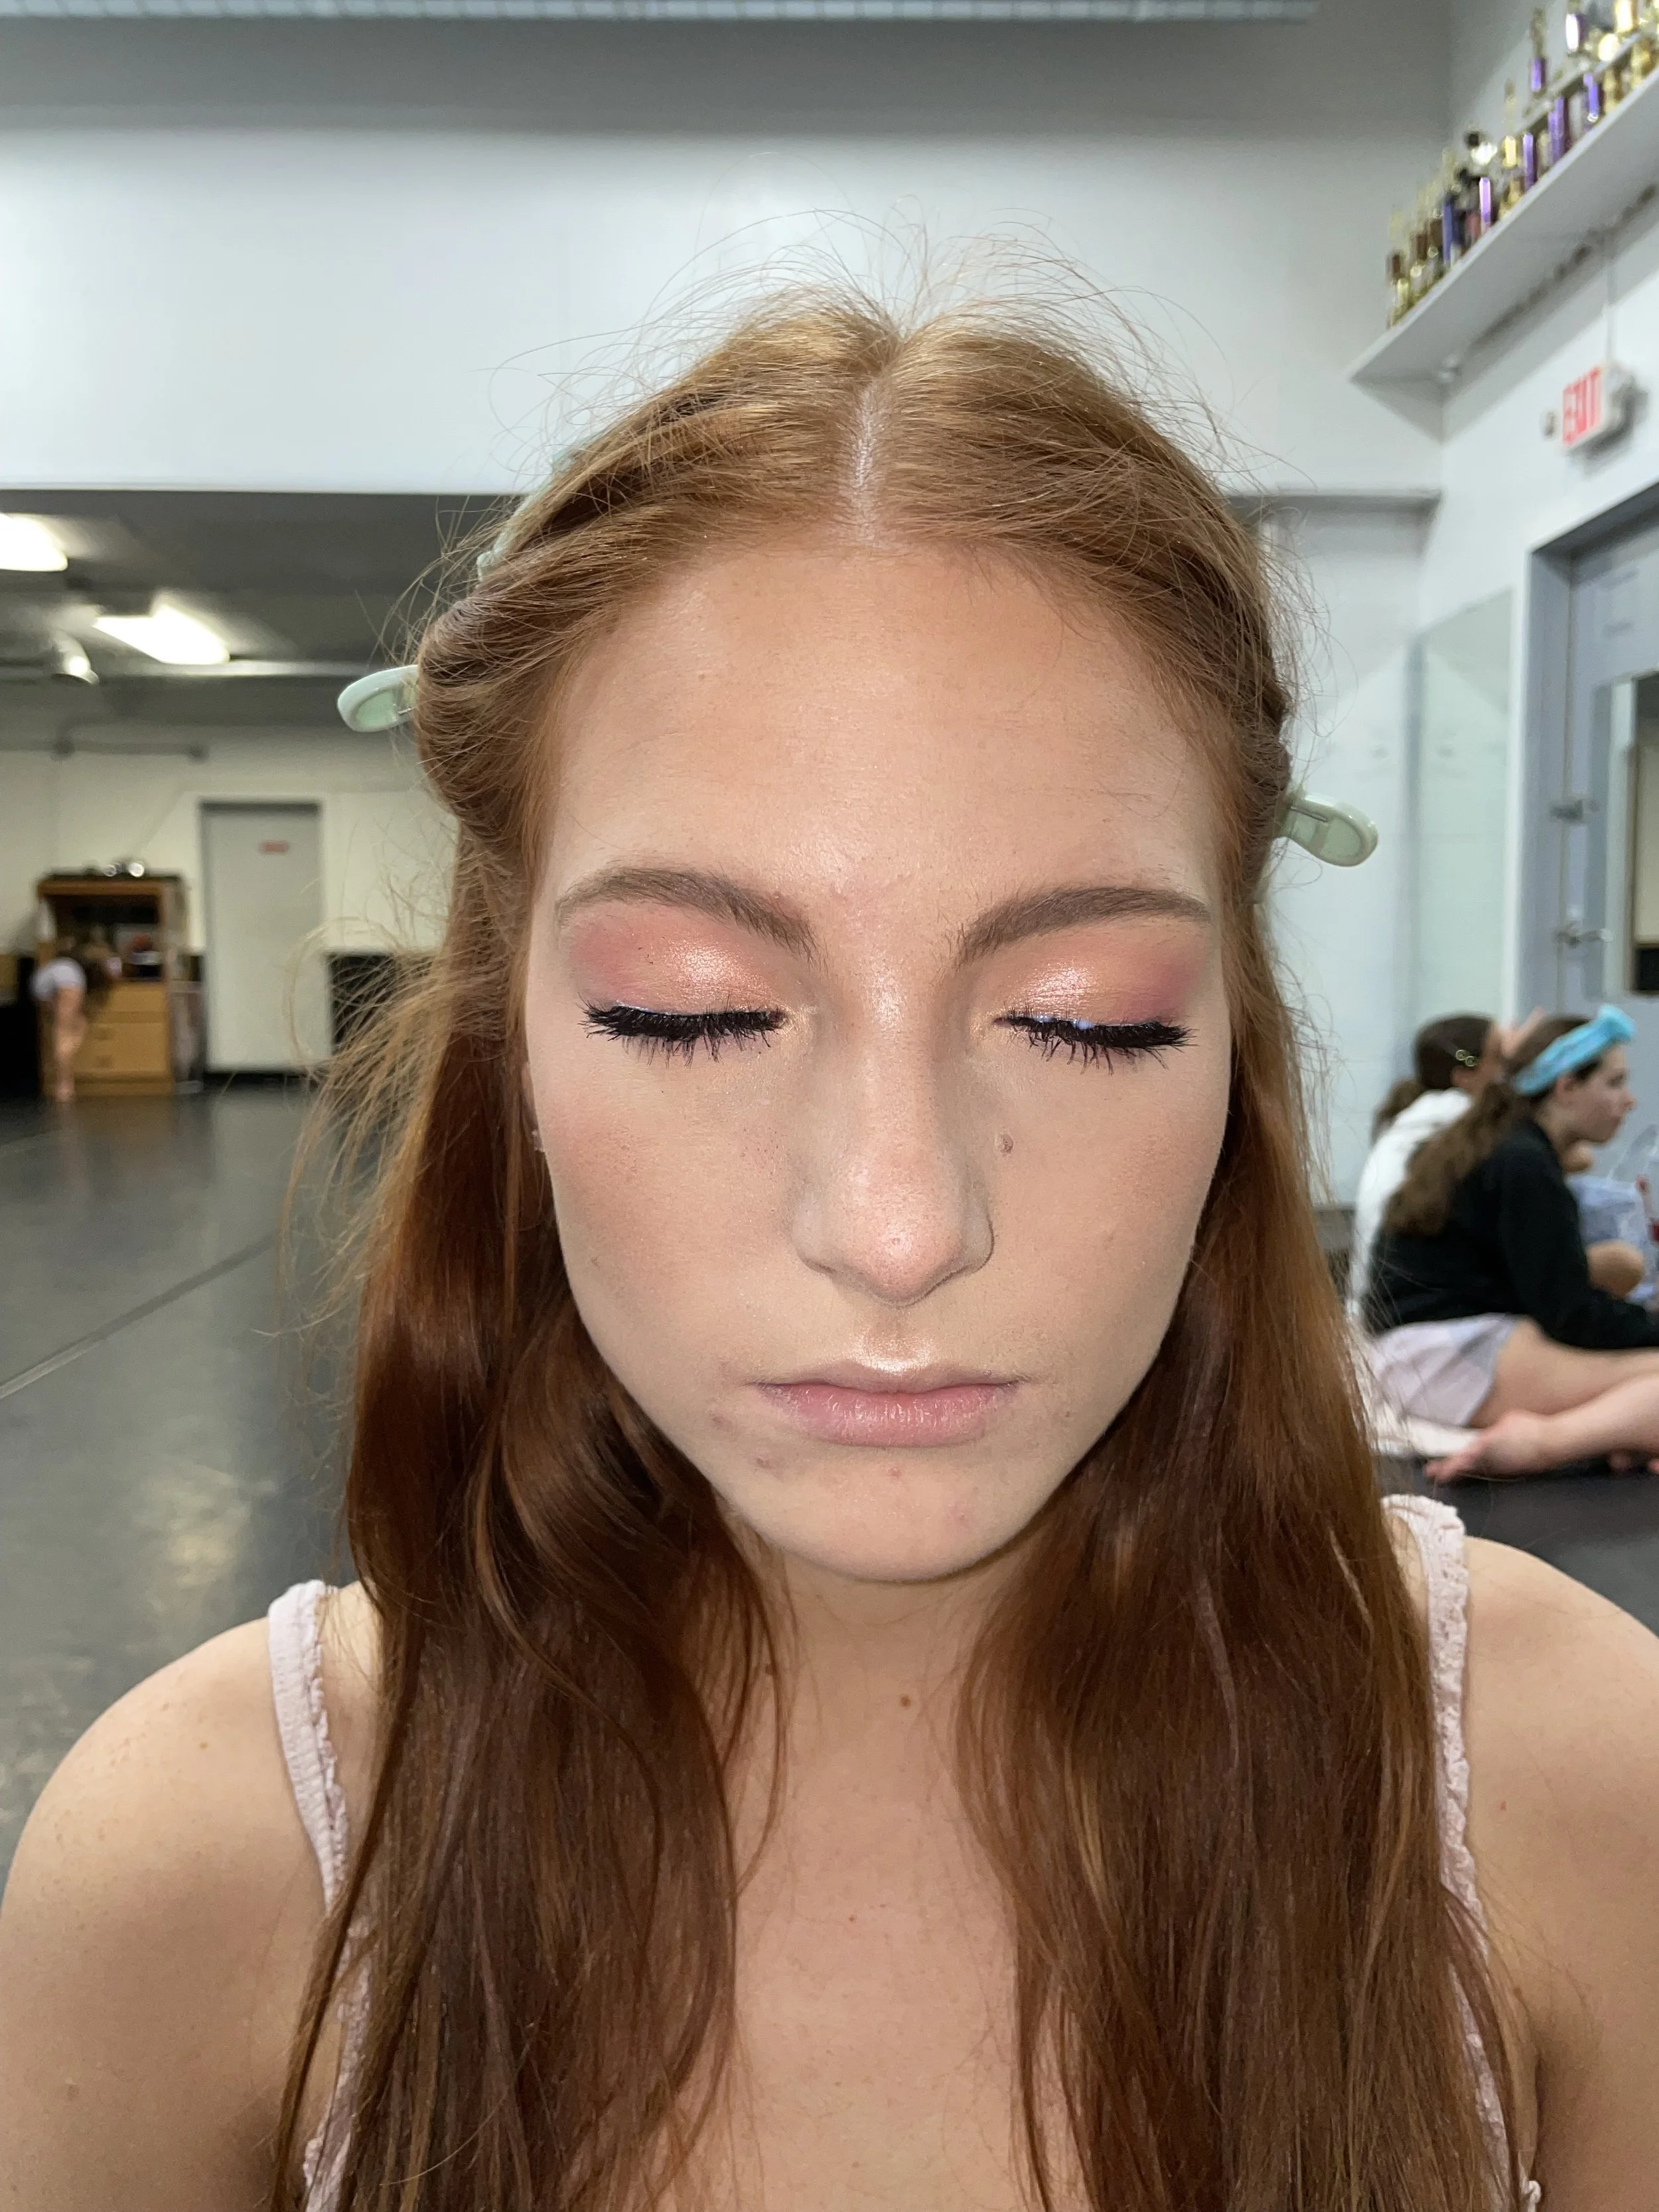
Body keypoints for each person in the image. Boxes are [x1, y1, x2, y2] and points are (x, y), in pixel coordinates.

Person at [4, 292, 1658, 2210]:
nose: (898, 1223)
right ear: (509, 1042)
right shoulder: (203, 1874)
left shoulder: (1567, 1779)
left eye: (1087, 1018)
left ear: (1234, 1051)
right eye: (691, 1008)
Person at [1367, 1005, 1659, 1445]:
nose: (1630, 1100)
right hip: (1437, 1357)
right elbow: (1570, 1314)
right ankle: (1542, 1445)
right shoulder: (1523, 1161)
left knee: (1618, 1269)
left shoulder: (1498, 1139)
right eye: (1615, 1082)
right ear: (1566, 1087)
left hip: (1415, 1344)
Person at [1347, 1012, 1502, 1316]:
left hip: (1374, 1306)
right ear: (1464, 1076)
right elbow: (1567, 1154)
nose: (1506, 1072)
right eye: (1499, 1058)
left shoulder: (1418, 1116)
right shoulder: (1461, 1117)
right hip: (1399, 1311)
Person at [29, 936, 116, 1104]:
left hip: (42, 982)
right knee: (66, 1030)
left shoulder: (63, 961)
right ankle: (64, 1084)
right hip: (67, 981)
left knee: (70, 1026)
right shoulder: (77, 971)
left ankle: (63, 1078)